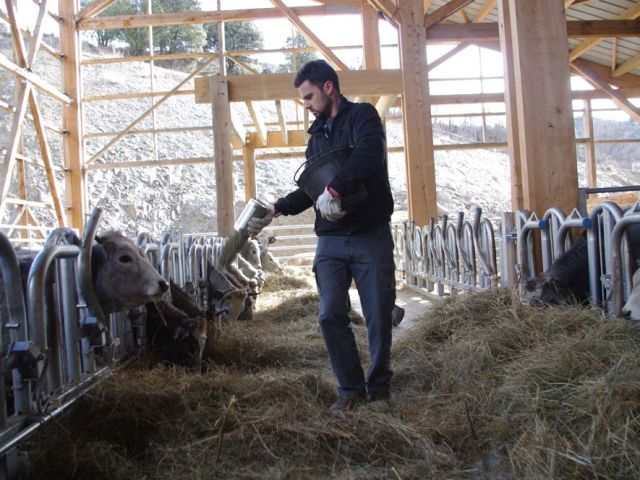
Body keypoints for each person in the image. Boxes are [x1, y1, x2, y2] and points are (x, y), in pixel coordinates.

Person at [247, 59, 396, 412]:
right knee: (330, 313)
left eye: (309, 96)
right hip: (330, 238)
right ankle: (350, 390)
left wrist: (337, 188)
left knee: (378, 312)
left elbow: (369, 154)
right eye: (303, 99)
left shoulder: (363, 117)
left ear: (329, 87)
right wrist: (277, 208)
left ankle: (378, 387)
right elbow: (313, 189)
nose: (307, 104)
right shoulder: (315, 139)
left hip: (369, 233)